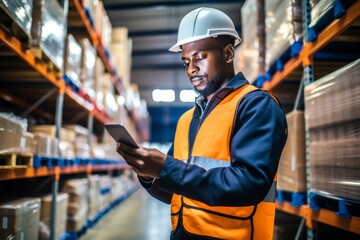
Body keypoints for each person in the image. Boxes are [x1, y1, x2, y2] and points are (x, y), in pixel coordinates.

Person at [116, 7, 287, 240]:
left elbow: (249, 184)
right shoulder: (187, 120)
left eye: (199, 57)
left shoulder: (255, 105)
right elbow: (176, 191)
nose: (191, 69)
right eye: (186, 61)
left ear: (228, 54)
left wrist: (167, 168)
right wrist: (148, 173)